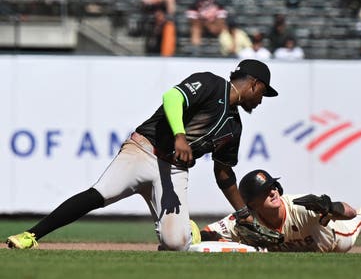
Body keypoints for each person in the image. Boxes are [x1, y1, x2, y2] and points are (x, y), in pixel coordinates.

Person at [6, 59, 279, 250]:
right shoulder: (211, 83)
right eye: (263, 93)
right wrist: (180, 136)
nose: (261, 100)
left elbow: (223, 173)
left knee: (176, 244)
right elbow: (172, 98)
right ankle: (31, 235)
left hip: (173, 171)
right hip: (143, 150)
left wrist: (243, 212)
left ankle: (186, 228)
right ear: (254, 84)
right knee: (99, 194)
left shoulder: (234, 126)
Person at [200, 169, 361, 253]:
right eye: (265, 191)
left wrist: (330, 206)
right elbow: (205, 234)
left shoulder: (300, 208)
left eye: (273, 186)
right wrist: (224, 242)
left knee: (345, 240)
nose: (273, 191)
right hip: (305, 245)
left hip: (330, 237)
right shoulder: (244, 219)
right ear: (251, 204)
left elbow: (348, 212)